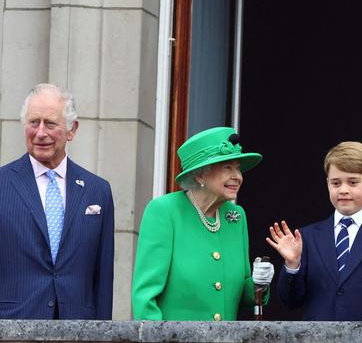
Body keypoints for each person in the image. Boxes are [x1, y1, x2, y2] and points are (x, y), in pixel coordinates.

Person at [131, 127, 274, 321]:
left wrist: (259, 283)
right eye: (227, 167)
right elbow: (145, 299)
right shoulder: (164, 211)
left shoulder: (236, 216)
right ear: (200, 176)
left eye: (238, 168)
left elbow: (241, 295)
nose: (238, 176)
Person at [0, 83, 115, 319]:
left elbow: (103, 278)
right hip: (12, 328)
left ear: (72, 129)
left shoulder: (97, 191)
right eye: (34, 122)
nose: (40, 132)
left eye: (50, 124)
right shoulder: (2, 184)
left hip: (78, 331)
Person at [266, 141, 362, 320]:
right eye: (336, 183)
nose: (344, 190)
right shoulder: (308, 237)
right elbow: (291, 301)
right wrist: (292, 265)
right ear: (327, 183)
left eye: (353, 182)